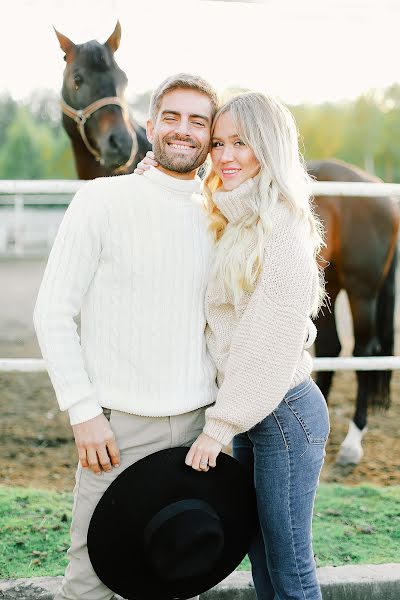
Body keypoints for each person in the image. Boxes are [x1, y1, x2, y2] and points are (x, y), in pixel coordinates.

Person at [136, 92, 330, 600]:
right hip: (255, 410)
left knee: (290, 567)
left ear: (267, 146)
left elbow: (265, 342)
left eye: (240, 142)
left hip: (284, 412)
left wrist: (218, 429)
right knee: (262, 556)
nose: (224, 156)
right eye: (219, 143)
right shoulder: (239, 214)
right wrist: (154, 180)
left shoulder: (282, 228)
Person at [33, 73, 219, 600]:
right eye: (172, 116)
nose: (183, 130)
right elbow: (52, 313)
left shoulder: (221, 215)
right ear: (150, 123)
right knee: (90, 577)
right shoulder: (100, 201)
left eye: (198, 121)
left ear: (210, 134)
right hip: (115, 430)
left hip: (196, 432)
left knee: (178, 575)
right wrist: (84, 411)